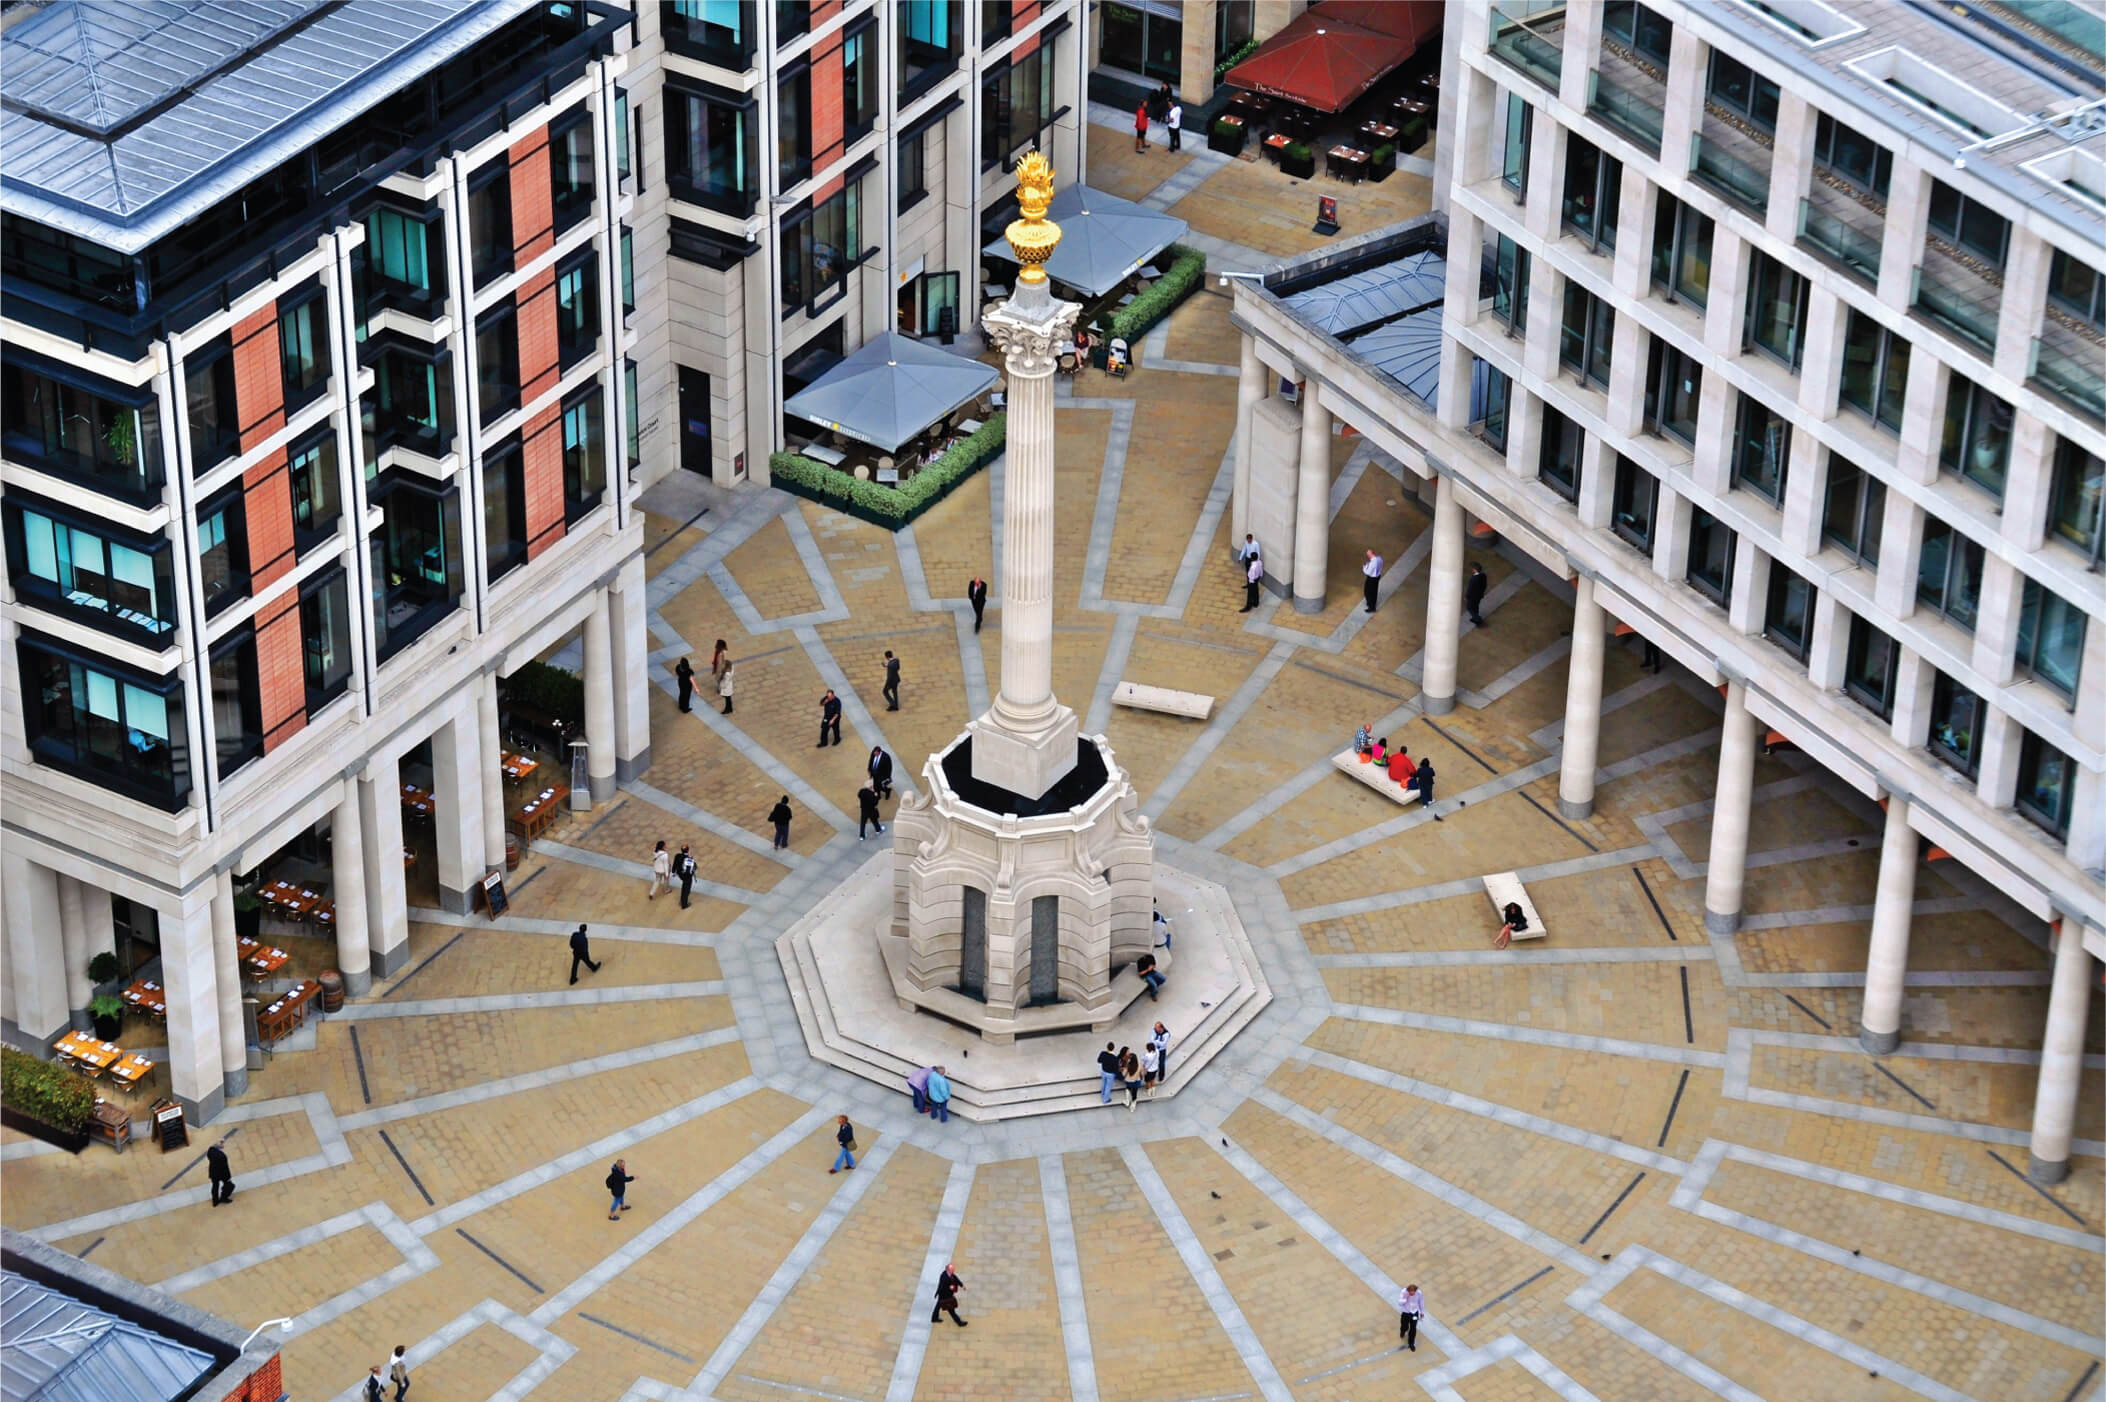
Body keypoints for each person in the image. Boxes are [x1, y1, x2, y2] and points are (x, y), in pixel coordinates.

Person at [207, 1139, 234, 1206]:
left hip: (213, 1173)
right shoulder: (221, 1156)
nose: (223, 1144)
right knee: (230, 1186)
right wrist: (228, 1177)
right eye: (221, 1143)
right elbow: (225, 1168)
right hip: (221, 1174)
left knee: (215, 1186)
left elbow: (211, 1149)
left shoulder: (210, 1151)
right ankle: (223, 1198)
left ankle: (215, 1201)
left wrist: (218, 1142)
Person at [1398, 1283, 1425, 1350]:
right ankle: (1403, 1330)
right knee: (1404, 1325)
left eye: (1414, 1292)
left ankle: (1411, 1343)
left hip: (1414, 1313)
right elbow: (1400, 1303)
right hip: (1406, 1312)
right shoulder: (1404, 1292)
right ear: (1408, 1290)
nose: (1412, 1293)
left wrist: (1422, 1312)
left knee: (1413, 1328)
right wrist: (1407, 1298)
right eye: (1411, 1292)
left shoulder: (1419, 1293)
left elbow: (1421, 1302)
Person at [1363, 549, 1384, 613]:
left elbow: (1368, 572)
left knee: (1367, 591)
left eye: (1368, 555)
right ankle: (1372, 604)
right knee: (1374, 591)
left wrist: (1364, 567)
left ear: (1369, 555)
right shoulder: (1380, 559)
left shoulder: (1372, 563)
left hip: (1371, 578)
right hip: (1377, 577)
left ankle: (1371, 606)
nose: (1368, 557)